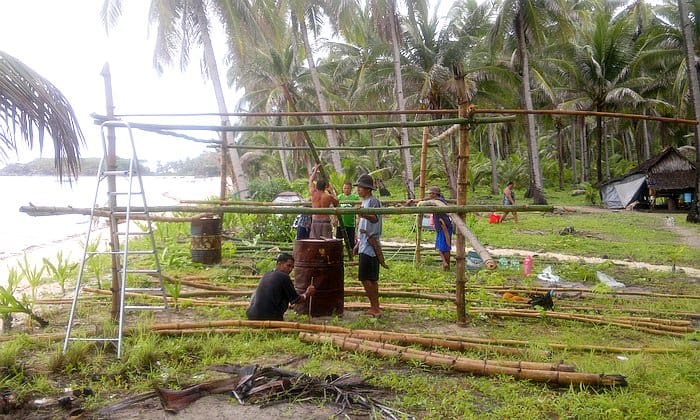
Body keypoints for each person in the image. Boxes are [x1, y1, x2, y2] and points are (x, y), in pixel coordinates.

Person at [246, 253, 316, 321]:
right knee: (286, 294)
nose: (290, 269)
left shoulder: (267, 274)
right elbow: (296, 300)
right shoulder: (284, 277)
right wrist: (307, 293)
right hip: (268, 317)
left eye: (292, 267)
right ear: (279, 264)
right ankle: (275, 316)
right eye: (288, 266)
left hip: (251, 315)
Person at [353, 174, 383, 317]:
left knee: (366, 278)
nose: (358, 190)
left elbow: (375, 219)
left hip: (371, 244)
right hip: (365, 243)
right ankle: (375, 306)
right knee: (370, 278)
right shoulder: (365, 202)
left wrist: (362, 214)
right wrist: (358, 242)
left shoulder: (373, 202)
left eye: (361, 187)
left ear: (368, 189)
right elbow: (363, 225)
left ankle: (375, 307)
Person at [308, 164, 339, 239]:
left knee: (315, 242)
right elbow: (337, 201)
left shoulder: (313, 193)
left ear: (316, 186)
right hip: (325, 221)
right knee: (326, 243)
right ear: (325, 187)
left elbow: (311, 180)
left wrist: (315, 169)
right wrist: (331, 190)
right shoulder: (328, 196)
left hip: (316, 221)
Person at [428, 186, 453, 271]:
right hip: (441, 227)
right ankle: (445, 263)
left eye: (430, 193)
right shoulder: (437, 200)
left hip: (444, 226)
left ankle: (446, 265)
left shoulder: (439, 201)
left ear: (434, 194)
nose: (429, 195)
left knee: (445, 248)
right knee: (440, 247)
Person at [336, 181, 359, 249]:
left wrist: (358, 219)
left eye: (348, 188)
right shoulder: (339, 197)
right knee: (338, 241)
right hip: (340, 223)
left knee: (351, 242)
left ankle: (351, 255)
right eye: (344, 188)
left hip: (351, 224)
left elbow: (358, 206)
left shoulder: (355, 197)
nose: (346, 190)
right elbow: (335, 208)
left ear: (351, 189)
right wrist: (334, 218)